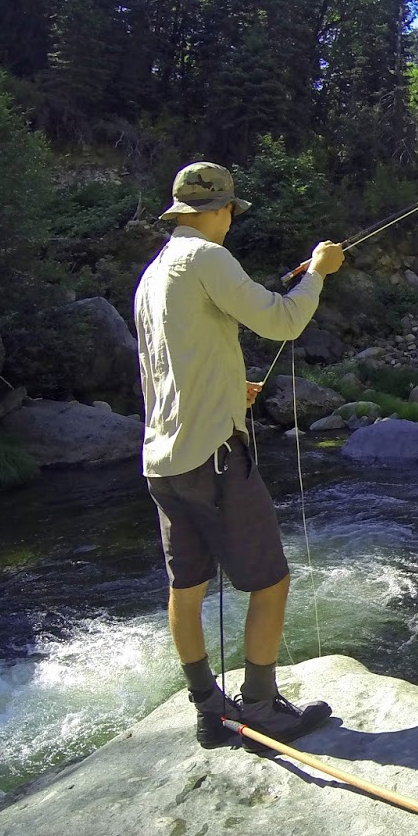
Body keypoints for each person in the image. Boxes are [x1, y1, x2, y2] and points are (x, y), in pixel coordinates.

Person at [133, 160, 344, 747]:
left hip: (163, 462)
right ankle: (260, 708)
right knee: (271, 581)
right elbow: (283, 321)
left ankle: (208, 709)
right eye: (231, 212)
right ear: (220, 210)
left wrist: (231, 389)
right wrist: (319, 273)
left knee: (187, 587)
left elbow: (167, 367)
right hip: (214, 459)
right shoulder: (205, 257)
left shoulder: (152, 275)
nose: (231, 222)